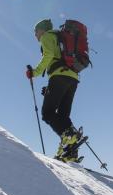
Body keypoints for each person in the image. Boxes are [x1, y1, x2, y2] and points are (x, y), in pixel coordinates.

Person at [26, 19, 82, 162]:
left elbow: (49, 55)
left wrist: (34, 72)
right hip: (73, 79)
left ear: (43, 30)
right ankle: (70, 153)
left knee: (47, 113)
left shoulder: (47, 37)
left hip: (59, 77)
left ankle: (69, 137)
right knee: (63, 116)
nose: (35, 35)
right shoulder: (59, 37)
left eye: (36, 31)